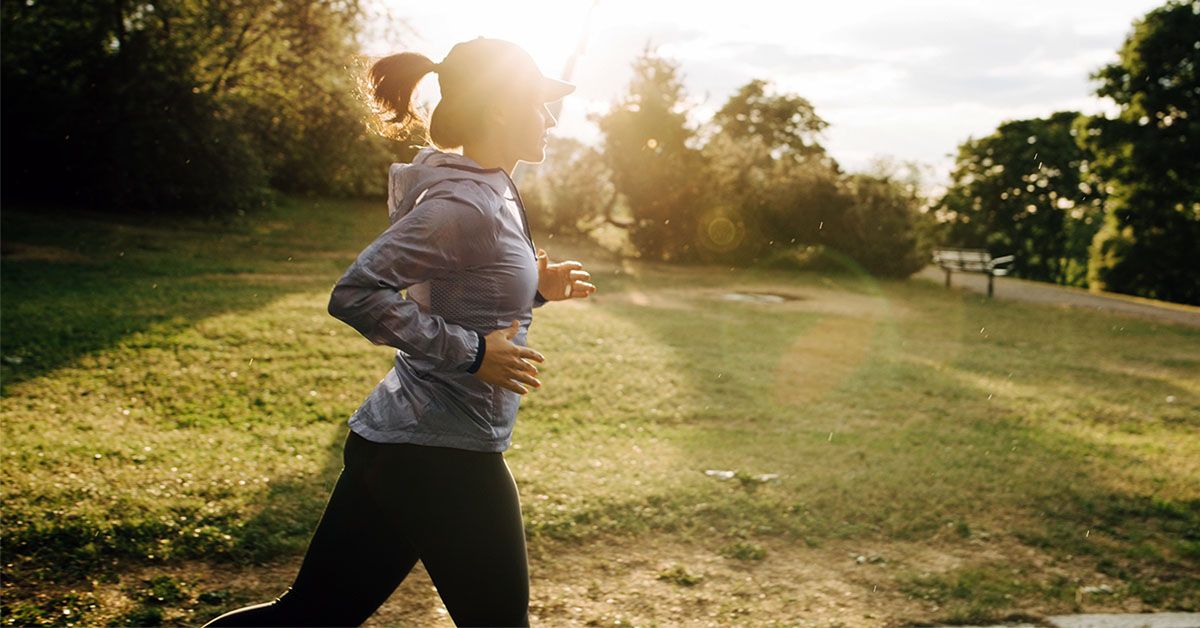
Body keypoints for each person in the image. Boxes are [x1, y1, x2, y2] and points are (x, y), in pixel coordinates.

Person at [203, 37, 597, 628]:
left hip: (401, 446)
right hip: (441, 455)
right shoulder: (466, 204)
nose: (547, 118)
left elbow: (459, 291)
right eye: (536, 103)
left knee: (309, 617)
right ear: (496, 109)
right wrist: (471, 355)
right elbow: (356, 294)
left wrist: (537, 289)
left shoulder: (492, 188)